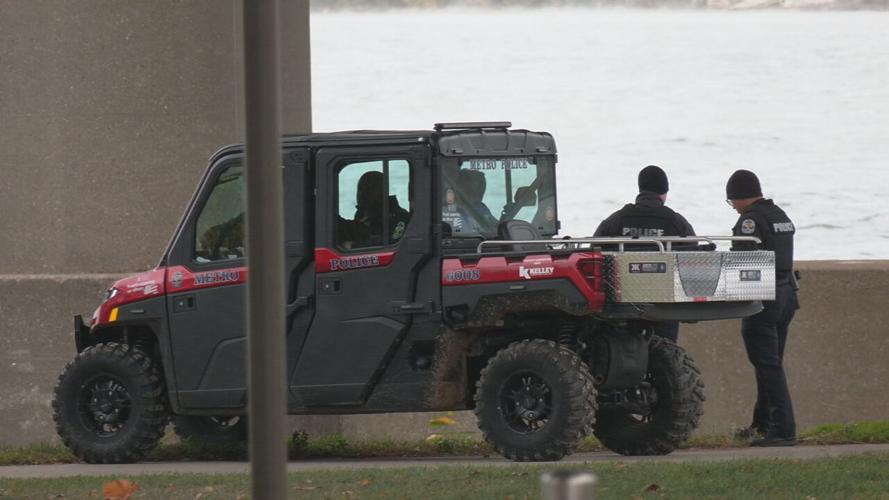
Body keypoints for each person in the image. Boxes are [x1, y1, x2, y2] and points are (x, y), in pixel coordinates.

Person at [726, 169, 799, 447]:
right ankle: (763, 424)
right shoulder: (780, 215)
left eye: (731, 201)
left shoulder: (750, 220)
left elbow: (741, 260)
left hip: (765, 299)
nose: (733, 208)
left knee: (767, 365)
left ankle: (783, 429)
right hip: (787, 295)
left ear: (738, 197)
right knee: (770, 362)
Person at [594, 165, 696, 342]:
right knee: (666, 353)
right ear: (664, 192)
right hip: (664, 304)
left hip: (623, 303)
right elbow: (693, 257)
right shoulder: (676, 222)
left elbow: (595, 252)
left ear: (640, 189)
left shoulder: (616, 220)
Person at [339, 171, 410, 248]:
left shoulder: (399, 217)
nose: (361, 194)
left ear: (383, 191)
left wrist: (354, 245)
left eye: (368, 189)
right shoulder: (362, 214)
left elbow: (393, 242)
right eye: (360, 189)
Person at [455, 169, 498, 235]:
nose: (482, 189)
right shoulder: (455, 212)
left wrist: (516, 204)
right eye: (480, 185)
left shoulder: (481, 207)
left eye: (482, 185)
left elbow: (497, 228)